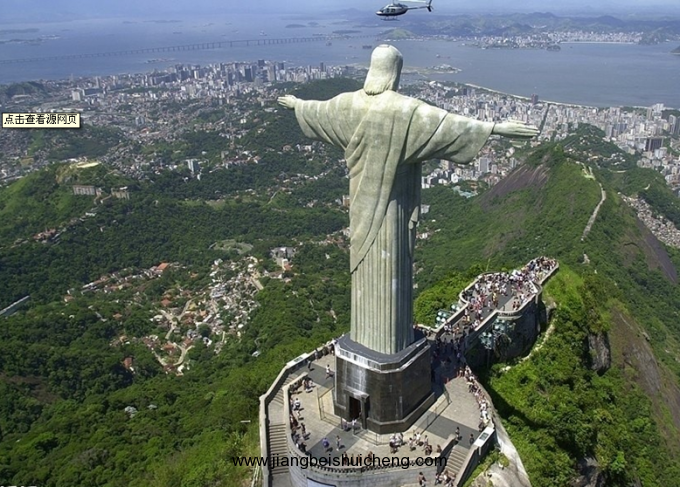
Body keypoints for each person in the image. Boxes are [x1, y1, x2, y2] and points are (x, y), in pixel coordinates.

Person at [278, 45, 538, 357]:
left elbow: (318, 111)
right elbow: (447, 126)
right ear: (395, 73)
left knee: (365, 272)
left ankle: (368, 340)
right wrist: (496, 129)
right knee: (391, 271)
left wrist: (296, 104)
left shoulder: (347, 104)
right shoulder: (404, 111)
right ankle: (390, 346)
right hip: (392, 213)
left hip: (359, 207)